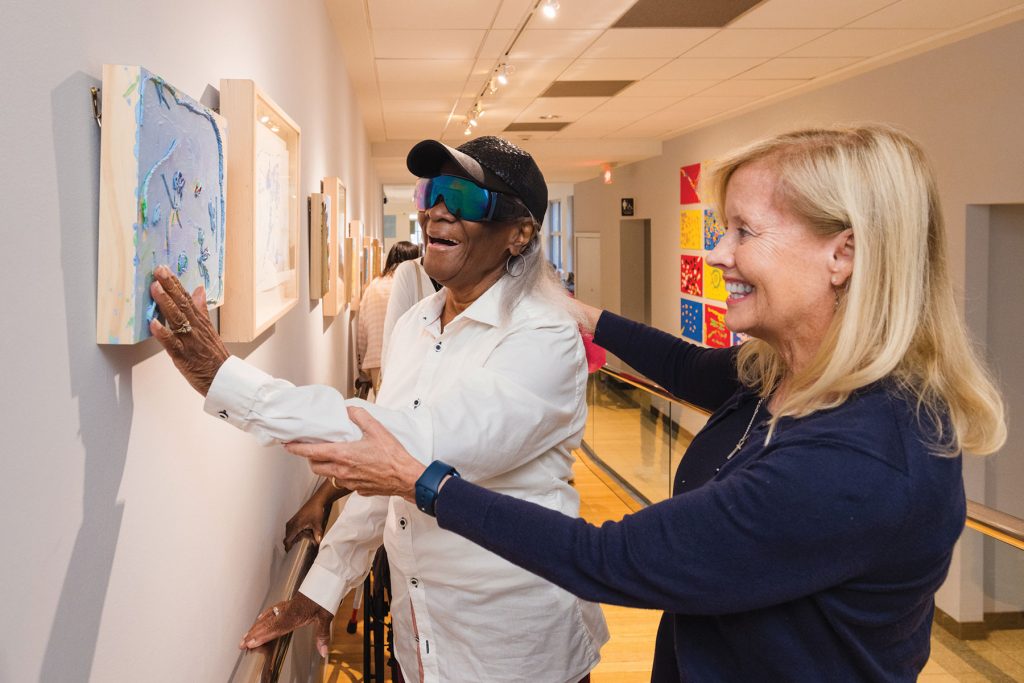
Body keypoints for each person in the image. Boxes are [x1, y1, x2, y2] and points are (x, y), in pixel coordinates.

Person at [284, 125, 1007, 682]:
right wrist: (580, 310)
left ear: (841, 255)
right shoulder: (782, 378)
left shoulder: (856, 459)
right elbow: (687, 365)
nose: (719, 253)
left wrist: (422, 478)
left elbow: (612, 557)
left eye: (744, 232)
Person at [148, 135, 608, 683]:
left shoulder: (545, 336)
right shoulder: (416, 324)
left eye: (463, 198)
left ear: (519, 234)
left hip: (514, 647)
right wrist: (323, 589)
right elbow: (385, 479)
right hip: (422, 641)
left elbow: (416, 444)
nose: (437, 210)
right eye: (431, 192)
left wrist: (229, 383)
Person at [356, 239, 421, 392]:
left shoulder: (374, 286)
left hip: (376, 359)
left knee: (382, 407)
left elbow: (362, 329)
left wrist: (362, 367)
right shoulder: (412, 285)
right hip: (407, 359)